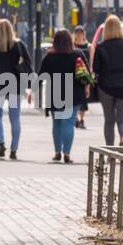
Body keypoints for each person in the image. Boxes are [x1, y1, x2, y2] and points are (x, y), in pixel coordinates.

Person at [0, 18, 33, 159]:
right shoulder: (18, 45)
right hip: (15, 85)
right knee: (15, 118)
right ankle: (14, 149)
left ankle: (1, 143)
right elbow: (29, 64)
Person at [39, 30, 84, 163]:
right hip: (74, 95)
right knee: (69, 124)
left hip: (55, 94)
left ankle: (57, 152)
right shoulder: (77, 54)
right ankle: (67, 154)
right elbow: (85, 73)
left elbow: (41, 75)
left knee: (57, 124)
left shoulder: (49, 56)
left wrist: (33, 90)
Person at [92, 14, 123, 147]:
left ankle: (110, 150)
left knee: (109, 121)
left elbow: (96, 69)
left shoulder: (101, 48)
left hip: (106, 88)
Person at [72, 26, 92, 129]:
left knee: (84, 98)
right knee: (74, 97)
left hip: (84, 75)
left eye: (81, 33)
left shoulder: (89, 46)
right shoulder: (72, 46)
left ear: (84, 34)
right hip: (73, 75)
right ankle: (75, 118)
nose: (79, 35)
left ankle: (82, 119)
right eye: (77, 33)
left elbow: (91, 62)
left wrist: (90, 77)